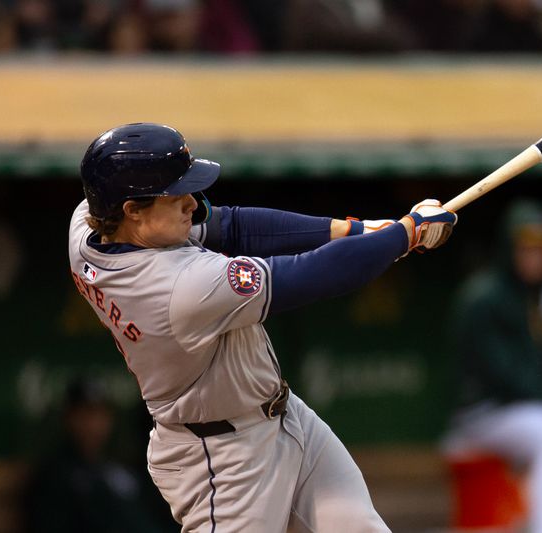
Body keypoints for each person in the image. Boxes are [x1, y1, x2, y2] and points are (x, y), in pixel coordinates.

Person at [67, 123, 457, 532]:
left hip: (284, 417)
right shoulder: (180, 286)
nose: (192, 203)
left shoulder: (90, 225)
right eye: (175, 194)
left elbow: (233, 226)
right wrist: (406, 234)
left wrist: (356, 229)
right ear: (132, 210)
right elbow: (313, 274)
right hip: (223, 459)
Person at [441, 199, 542, 533]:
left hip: (539, 409)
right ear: (509, 248)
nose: (537, 257)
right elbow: (503, 374)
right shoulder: (483, 298)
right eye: (527, 248)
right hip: (485, 413)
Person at [26, 377, 166, 533]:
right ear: (68, 418)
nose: (94, 424)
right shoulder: (55, 475)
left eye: (101, 414)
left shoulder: (120, 468)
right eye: (86, 414)